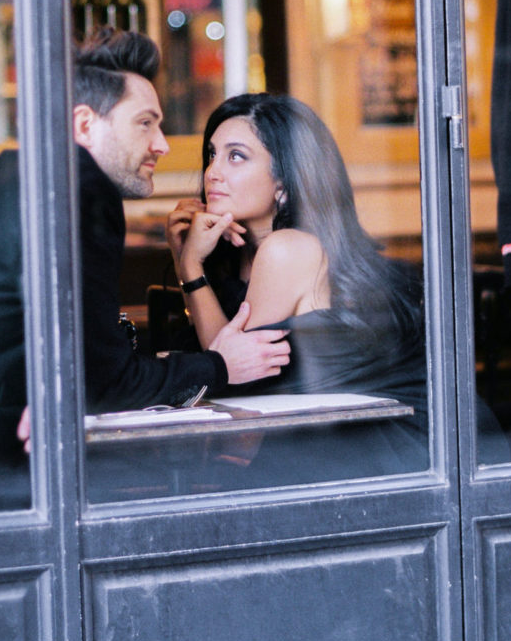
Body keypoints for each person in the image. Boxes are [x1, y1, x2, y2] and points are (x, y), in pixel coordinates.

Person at [0, 33, 289, 480]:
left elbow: (68, 362)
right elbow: (105, 387)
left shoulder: (22, 174)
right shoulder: (80, 190)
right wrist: (221, 365)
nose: (162, 144)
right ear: (85, 124)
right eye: (145, 123)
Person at [165, 92, 430, 475]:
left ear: (283, 184)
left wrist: (190, 265)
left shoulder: (286, 250)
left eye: (235, 156)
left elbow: (231, 372)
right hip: (317, 447)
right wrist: (188, 258)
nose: (212, 173)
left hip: (377, 457)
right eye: (212, 154)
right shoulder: (242, 256)